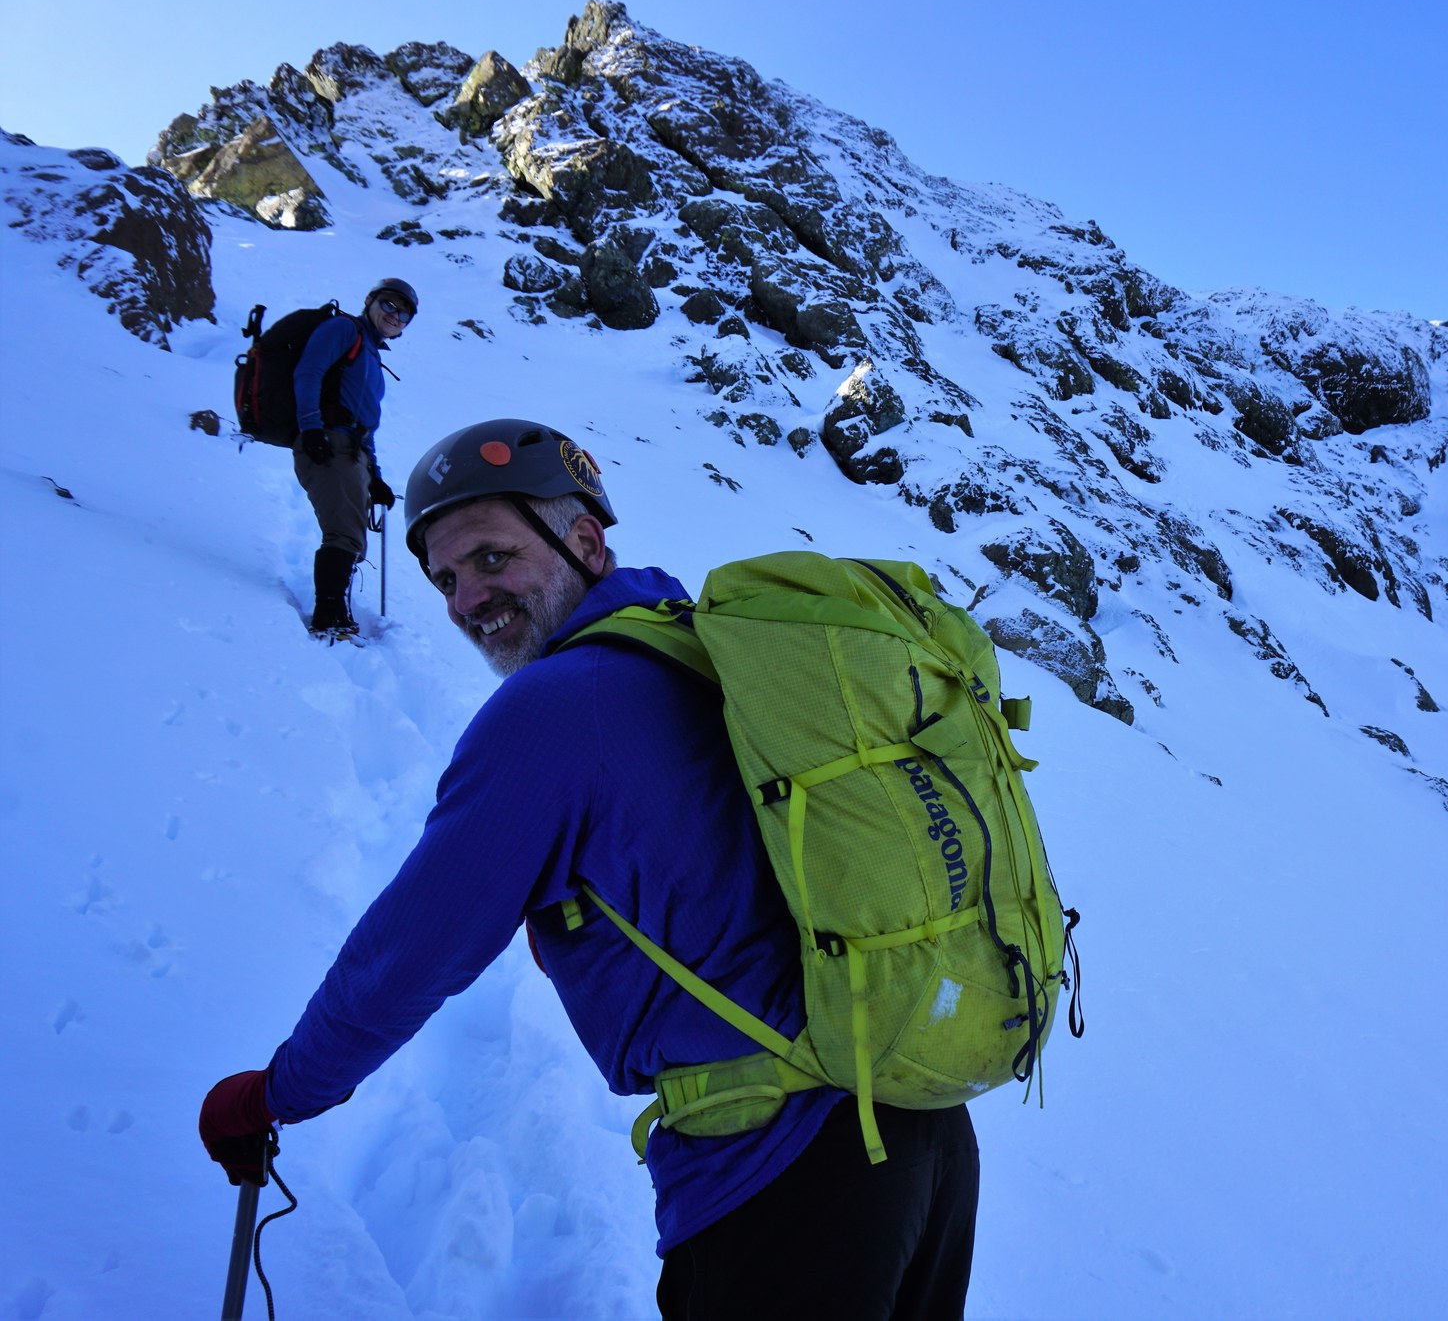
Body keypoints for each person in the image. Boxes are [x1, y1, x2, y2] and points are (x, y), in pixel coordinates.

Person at [199, 418, 981, 1319]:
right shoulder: (696, 650)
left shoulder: (559, 708)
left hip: (782, 1171)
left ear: (584, 540)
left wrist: (279, 1091)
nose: (467, 599)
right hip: (921, 1128)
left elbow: (411, 950)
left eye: (493, 557)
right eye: (446, 578)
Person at [296, 277, 417, 640]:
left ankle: (337, 613)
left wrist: (375, 476)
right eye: (389, 305)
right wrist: (310, 428)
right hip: (329, 441)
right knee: (345, 533)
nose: (395, 315)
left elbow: (365, 424)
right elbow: (309, 371)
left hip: (353, 449)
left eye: (404, 314)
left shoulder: (371, 354)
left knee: (351, 535)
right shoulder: (343, 330)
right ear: (370, 302)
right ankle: (328, 618)